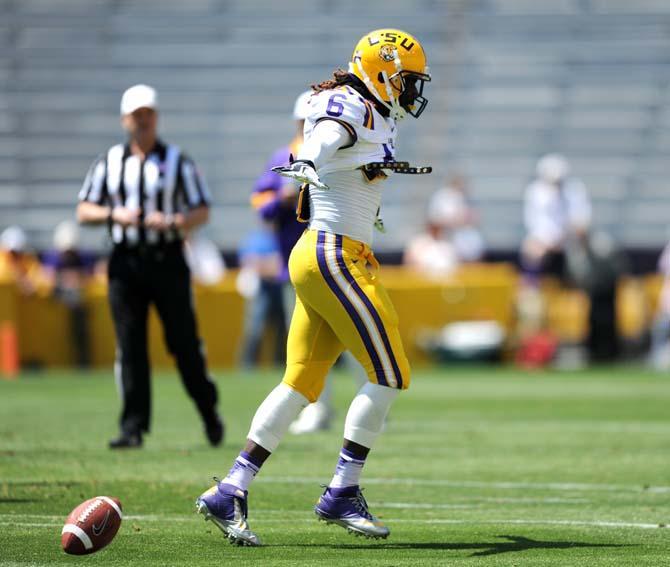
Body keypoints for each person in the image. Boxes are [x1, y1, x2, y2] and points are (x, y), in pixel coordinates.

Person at [196, 28, 431, 545]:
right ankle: (343, 490)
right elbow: (326, 136)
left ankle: (230, 488)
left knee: (301, 382)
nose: (412, 90)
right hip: (335, 255)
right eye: (406, 79)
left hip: (322, 252)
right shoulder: (349, 103)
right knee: (390, 373)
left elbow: (348, 156)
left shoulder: (371, 107)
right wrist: (309, 161)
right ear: (381, 69)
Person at [76, 84, 223, 449]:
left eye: (148, 114)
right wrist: (115, 214)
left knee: (184, 344)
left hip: (168, 261)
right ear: (126, 119)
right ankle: (133, 427)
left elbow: (202, 209)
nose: (143, 121)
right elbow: (84, 210)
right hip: (125, 264)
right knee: (130, 345)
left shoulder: (177, 161)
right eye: (136, 115)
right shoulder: (109, 161)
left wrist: (174, 222)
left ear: (155, 117)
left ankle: (208, 410)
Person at [42, 220, 95, 368]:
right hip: (57, 302)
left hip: (77, 304)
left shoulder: (84, 257)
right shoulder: (53, 258)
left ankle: (82, 362)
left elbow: (90, 276)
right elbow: (48, 277)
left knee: (80, 330)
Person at [428, 174, 485, 262]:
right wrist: (453, 220)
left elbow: (472, 217)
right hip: (446, 238)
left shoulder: (463, 197)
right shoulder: (442, 196)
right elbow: (435, 218)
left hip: (461, 237)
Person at [0, 226, 50, 296]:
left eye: (17, 253)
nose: (14, 256)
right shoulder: (2, 264)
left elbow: (43, 282)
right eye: (11, 253)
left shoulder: (28, 262)